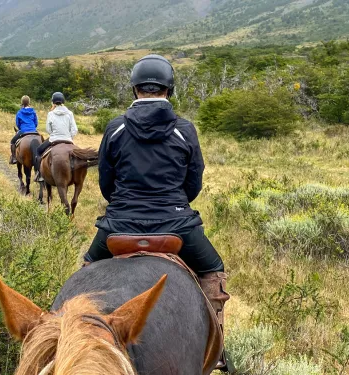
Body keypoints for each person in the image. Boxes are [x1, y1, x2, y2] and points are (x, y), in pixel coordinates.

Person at [83, 54, 230, 368]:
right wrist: (175, 203)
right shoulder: (184, 130)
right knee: (213, 269)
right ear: (169, 89)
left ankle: (69, 330)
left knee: (84, 272)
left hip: (118, 224)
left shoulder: (115, 128)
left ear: (135, 89)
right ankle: (217, 350)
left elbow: (106, 182)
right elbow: (193, 182)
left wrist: (123, 205)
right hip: (176, 223)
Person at [34, 92, 78, 181]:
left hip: (54, 139)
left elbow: (48, 130)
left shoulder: (51, 113)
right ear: (63, 101)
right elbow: (74, 130)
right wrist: (69, 137)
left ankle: (40, 174)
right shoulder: (70, 113)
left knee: (38, 151)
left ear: (53, 102)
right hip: (68, 139)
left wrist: (54, 134)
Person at [9, 95, 39, 164]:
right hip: (34, 130)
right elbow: (36, 123)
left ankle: (14, 158)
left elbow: (18, 124)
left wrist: (21, 128)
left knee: (12, 142)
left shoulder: (19, 112)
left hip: (23, 131)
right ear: (29, 102)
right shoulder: (33, 112)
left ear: (22, 103)